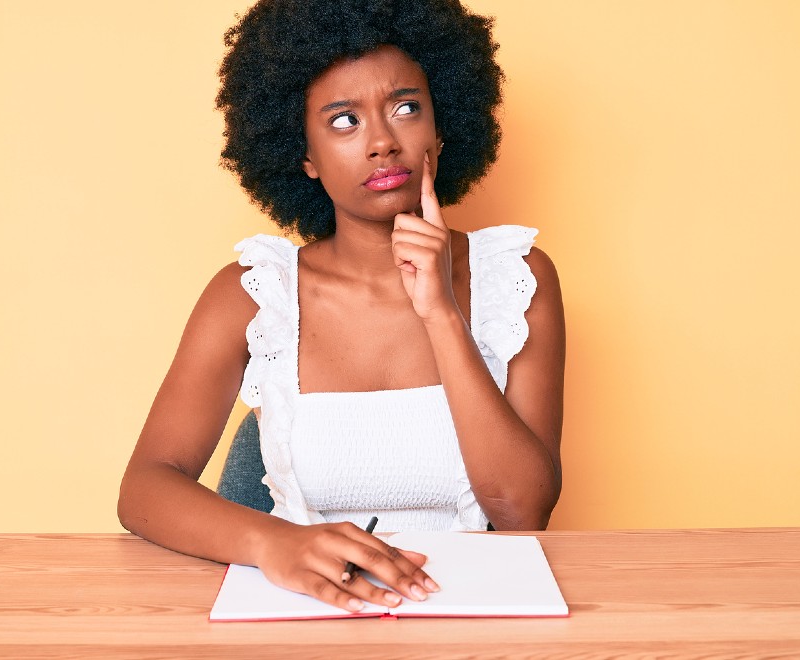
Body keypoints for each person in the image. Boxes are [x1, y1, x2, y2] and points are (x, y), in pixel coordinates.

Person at [118, 0, 565, 613]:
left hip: (465, 615)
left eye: (406, 108)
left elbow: (522, 511)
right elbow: (145, 486)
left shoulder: (516, 278)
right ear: (303, 155)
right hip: (299, 615)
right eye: (344, 121)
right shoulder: (253, 294)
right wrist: (273, 542)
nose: (383, 142)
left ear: (440, 126)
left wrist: (440, 312)